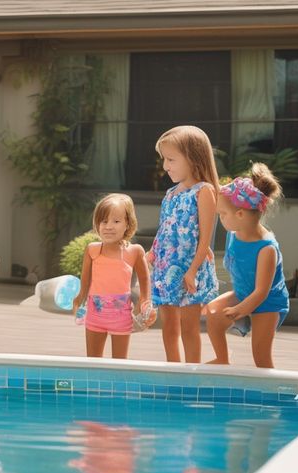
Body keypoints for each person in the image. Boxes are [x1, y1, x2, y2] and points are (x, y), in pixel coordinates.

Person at [148, 126, 220, 363]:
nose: (166, 166)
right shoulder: (170, 193)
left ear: (193, 158)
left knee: (189, 328)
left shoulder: (204, 192)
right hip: (165, 268)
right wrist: (150, 254)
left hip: (191, 269)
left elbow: (206, 238)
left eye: (171, 159)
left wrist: (192, 271)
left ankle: (192, 376)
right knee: (168, 326)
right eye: (164, 160)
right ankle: (173, 372)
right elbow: (163, 229)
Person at [206, 163, 289, 368]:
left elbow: (261, 292)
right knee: (213, 314)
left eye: (223, 214)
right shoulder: (234, 235)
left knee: (260, 356)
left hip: (268, 303)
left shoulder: (266, 249)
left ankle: (273, 392)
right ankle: (222, 358)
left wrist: (240, 310)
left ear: (240, 214)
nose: (221, 218)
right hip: (243, 293)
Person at [72, 194, 155, 359]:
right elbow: (86, 279)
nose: (109, 226)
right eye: (104, 221)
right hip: (95, 315)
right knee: (93, 362)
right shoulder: (92, 250)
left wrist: (145, 301)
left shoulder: (134, 251)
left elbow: (145, 279)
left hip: (121, 316)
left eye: (116, 222)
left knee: (120, 364)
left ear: (128, 224)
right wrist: (79, 298)